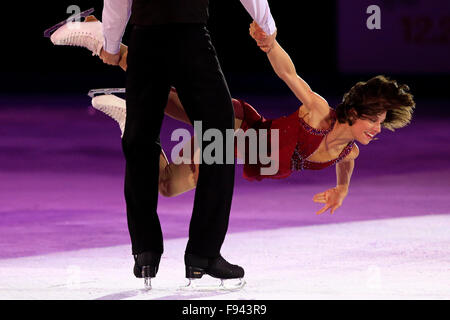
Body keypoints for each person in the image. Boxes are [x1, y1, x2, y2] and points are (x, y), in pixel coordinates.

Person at [50, 14, 415, 285]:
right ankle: (99, 36)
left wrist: (342, 189)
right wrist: (270, 43)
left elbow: (346, 169)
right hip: (240, 126)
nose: (378, 129)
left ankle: (129, 117)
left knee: (166, 186)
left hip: (235, 152)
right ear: (354, 113)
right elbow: (290, 75)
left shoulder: (348, 152)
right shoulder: (320, 113)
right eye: (375, 121)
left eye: (382, 123)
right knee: (164, 95)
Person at [56, 1, 278, 290]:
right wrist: (267, 25)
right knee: (218, 134)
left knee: (140, 137)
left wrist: (111, 43)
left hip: (148, 36)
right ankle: (203, 253)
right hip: (188, 35)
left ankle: (146, 251)